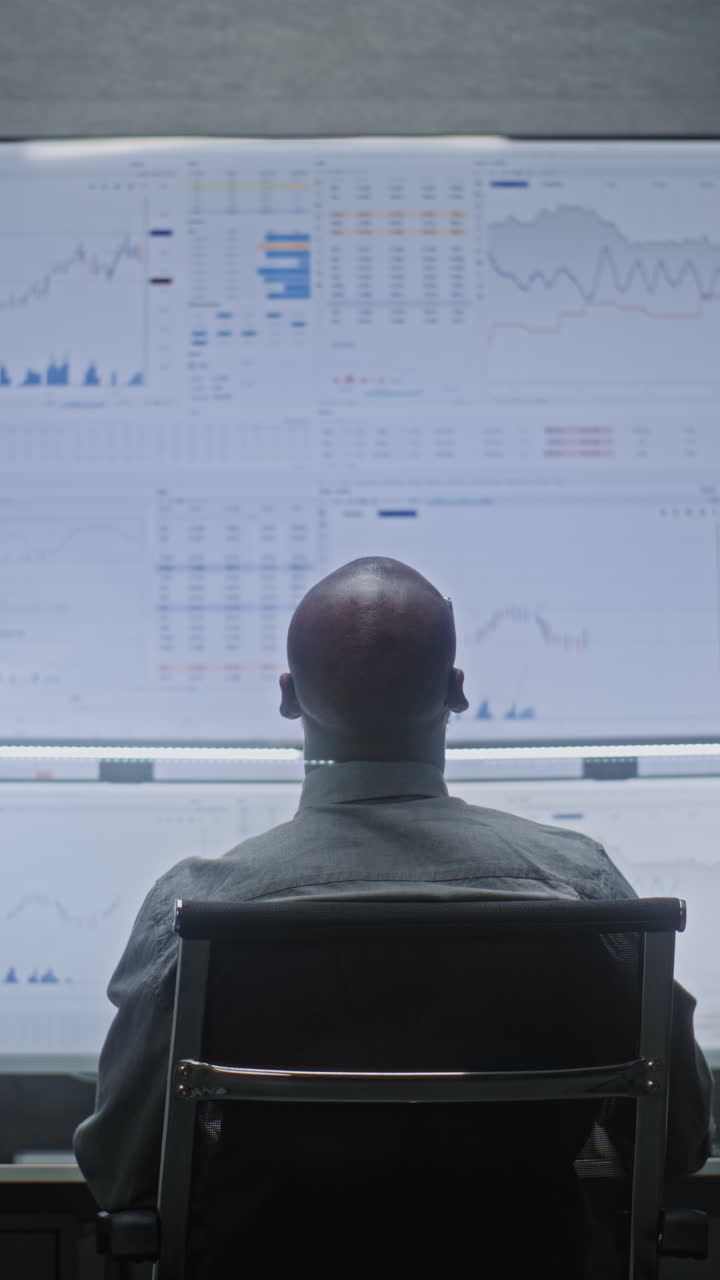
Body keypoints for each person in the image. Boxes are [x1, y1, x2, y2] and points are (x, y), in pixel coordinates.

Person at [74, 556, 713, 1276]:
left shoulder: (199, 909)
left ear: (289, 697)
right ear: (456, 691)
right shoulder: (580, 886)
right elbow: (680, 1141)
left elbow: (124, 1171)